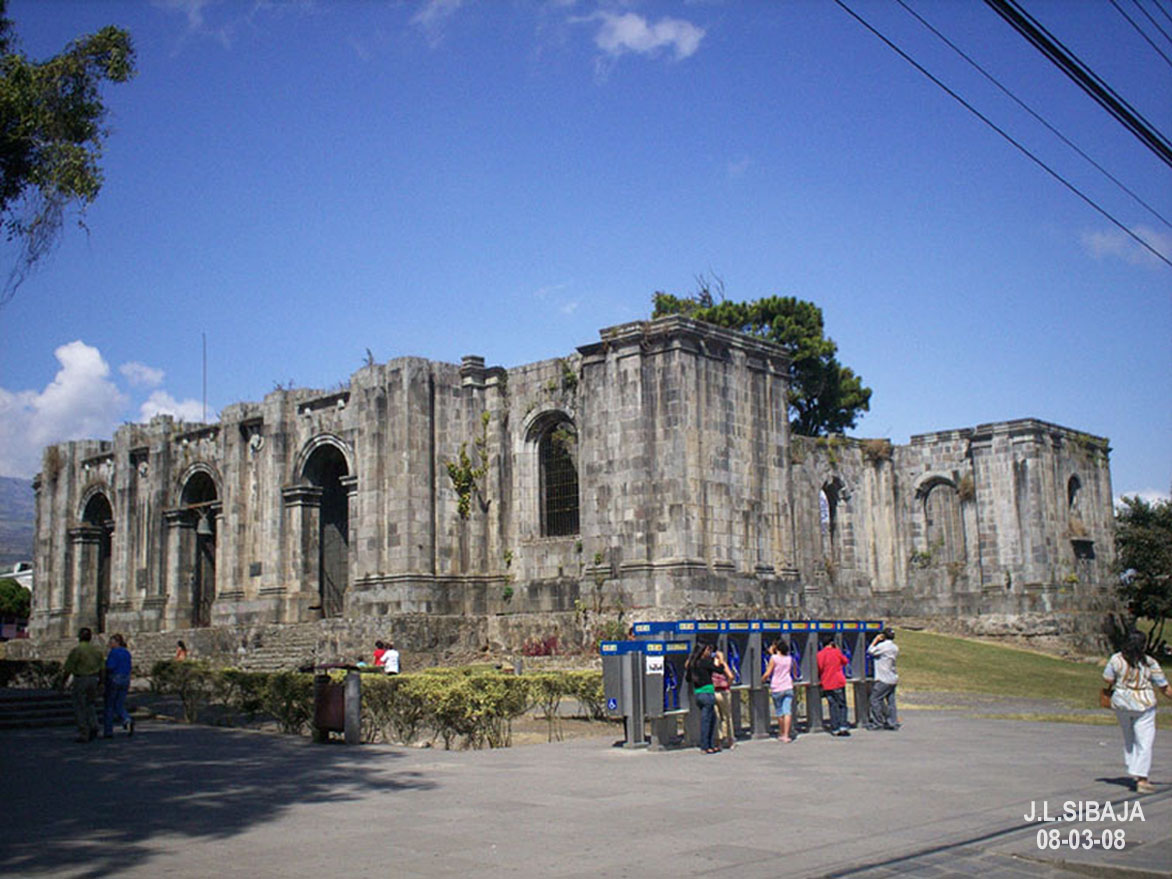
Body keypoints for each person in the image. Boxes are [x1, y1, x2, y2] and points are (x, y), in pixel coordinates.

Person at [1102, 631, 1172, 794]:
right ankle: (1142, 778)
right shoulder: (1149, 662)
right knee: (1145, 740)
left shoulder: (1116, 659)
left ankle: (1134, 767)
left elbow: (1107, 678)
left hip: (1122, 702)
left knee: (1129, 737)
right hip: (1144, 702)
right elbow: (1163, 686)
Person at [62, 627, 104, 743]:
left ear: (79, 637)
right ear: (90, 638)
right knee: (90, 704)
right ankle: (94, 725)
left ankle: (84, 732)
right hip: (93, 679)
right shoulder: (97, 651)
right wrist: (101, 682)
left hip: (81, 679)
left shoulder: (77, 651)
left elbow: (68, 669)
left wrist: (62, 682)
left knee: (79, 705)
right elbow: (102, 669)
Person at [685, 641, 720, 753]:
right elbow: (720, 670)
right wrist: (721, 660)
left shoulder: (693, 664)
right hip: (707, 694)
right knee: (707, 721)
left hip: (698, 694)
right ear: (702, 651)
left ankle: (710, 744)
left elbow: (688, 679)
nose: (709, 652)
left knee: (711, 718)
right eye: (707, 650)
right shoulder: (705, 662)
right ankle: (705, 746)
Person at [817, 633, 851, 736]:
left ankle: (835, 728)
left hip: (827, 682)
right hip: (838, 682)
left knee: (833, 705)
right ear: (832, 643)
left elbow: (819, 667)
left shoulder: (819, 654)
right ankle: (843, 726)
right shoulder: (836, 652)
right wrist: (839, 650)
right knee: (842, 705)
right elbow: (846, 661)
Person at [762, 640, 796, 743]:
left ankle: (781, 733)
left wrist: (761, 679)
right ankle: (786, 734)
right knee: (787, 711)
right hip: (788, 686)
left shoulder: (774, 658)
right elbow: (794, 673)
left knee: (780, 712)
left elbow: (768, 673)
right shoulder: (790, 659)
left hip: (777, 687)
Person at [866, 628, 899, 731]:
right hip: (892, 678)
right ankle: (892, 722)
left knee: (874, 699)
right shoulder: (894, 647)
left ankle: (878, 722)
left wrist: (875, 640)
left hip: (883, 678)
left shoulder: (883, 646)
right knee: (891, 701)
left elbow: (870, 651)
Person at [102, 634, 135, 738]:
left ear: (116, 643)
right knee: (119, 704)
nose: (109, 644)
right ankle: (127, 719)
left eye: (111, 642)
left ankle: (108, 731)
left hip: (114, 678)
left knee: (109, 705)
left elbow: (110, 667)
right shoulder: (126, 653)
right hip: (125, 679)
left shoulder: (114, 653)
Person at [711, 649, 736, 750]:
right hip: (724, 691)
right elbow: (731, 676)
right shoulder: (723, 665)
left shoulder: (709, 665)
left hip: (713, 691)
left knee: (716, 716)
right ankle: (730, 740)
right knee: (727, 716)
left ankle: (718, 741)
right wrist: (727, 685)